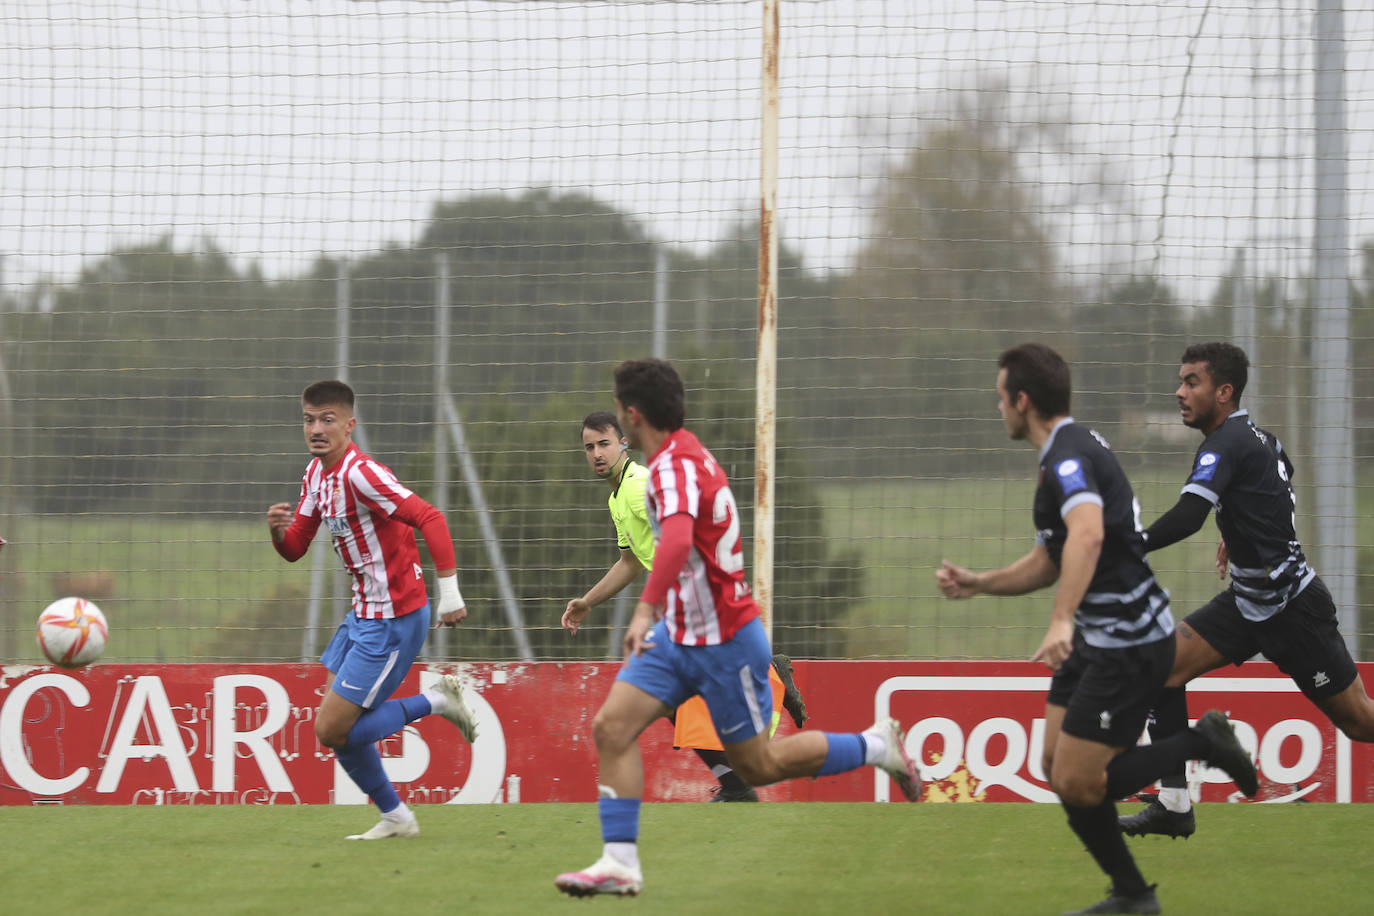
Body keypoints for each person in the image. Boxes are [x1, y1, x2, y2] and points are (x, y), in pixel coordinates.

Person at [555, 358, 921, 898]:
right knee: (612, 727)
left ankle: (874, 745)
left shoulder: (672, 469)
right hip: (682, 634)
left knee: (761, 765)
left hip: (723, 638)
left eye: (615, 412)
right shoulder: (676, 460)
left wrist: (641, 611)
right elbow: (656, 552)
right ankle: (619, 862)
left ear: (632, 416)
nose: (608, 431)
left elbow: (675, 543)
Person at [936, 343, 1256, 916]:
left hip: (1130, 644)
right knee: (1057, 769)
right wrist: (980, 582)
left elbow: (1086, 535)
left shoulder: (1065, 458)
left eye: (1000, 397)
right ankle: (1132, 894)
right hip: (1099, 639)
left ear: (1022, 400)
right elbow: (1051, 560)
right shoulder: (1064, 452)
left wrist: (1060, 619)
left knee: (1083, 783)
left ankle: (1198, 749)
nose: (998, 407)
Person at [1118, 342, 1374, 840]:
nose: (1180, 391)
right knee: (1160, 669)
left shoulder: (1224, 444)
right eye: (1181, 380)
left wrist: (1130, 546)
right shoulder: (1258, 438)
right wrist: (1237, 534)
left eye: (1192, 382)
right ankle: (1174, 804)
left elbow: (1189, 516)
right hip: (1246, 603)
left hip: (1294, 611)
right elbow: (1279, 480)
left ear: (1224, 391)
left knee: (1362, 724)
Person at [267, 379, 479, 840]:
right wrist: (277, 531)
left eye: (327, 420)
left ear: (349, 424)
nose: (316, 429)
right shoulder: (315, 475)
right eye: (309, 419)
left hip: (395, 619)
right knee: (340, 724)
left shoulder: (362, 474)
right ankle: (396, 817)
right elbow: (296, 547)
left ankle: (438, 700)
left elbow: (430, 517)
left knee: (332, 729)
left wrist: (450, 592)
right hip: (363, 614)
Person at [562, 411, 809, 803]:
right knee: (673, 700)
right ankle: (737, 783)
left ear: (624, 442)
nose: (596, 453)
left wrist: (660, 602)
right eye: (589, 447)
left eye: (604, 443)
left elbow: (680, 540)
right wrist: (587, 602)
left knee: (653, 700)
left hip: (698, 608)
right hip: (689, 609)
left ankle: (738, 780)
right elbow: (630, 561)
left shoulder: (638, 485)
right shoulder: (618, 495)